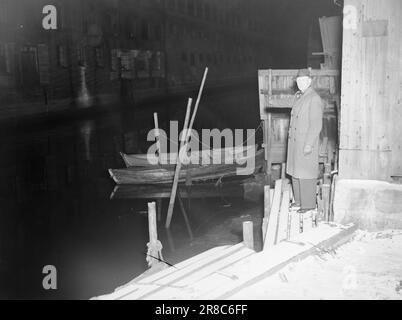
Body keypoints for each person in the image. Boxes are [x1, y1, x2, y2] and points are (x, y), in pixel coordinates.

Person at [286, 69, 323, 213]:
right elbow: (286, 103)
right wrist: (269, 101)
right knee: (296, 172)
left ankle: (308, 205)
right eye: (298, 81)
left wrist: (309, 144)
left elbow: (315, 125)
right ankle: (299, 201)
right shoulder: (299, 96)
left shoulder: (314, 98)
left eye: (303, 81)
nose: (300, 83)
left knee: (306, 173)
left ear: (309, 81)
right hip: (295, 143)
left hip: (305, 143)